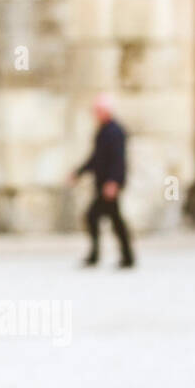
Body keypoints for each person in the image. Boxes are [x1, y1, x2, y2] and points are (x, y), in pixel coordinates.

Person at [70, 93, 135, 268]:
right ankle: (124, 256)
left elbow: (118, 160)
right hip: (104, 183)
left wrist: (114, 182)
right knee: (112, 219)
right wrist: (79, 172)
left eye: (97, 111)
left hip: (109, 184)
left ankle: (99, 255)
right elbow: (96, 159)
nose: (95, 114)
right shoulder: (104, 131)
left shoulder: (115, 132)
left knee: (96, 217)